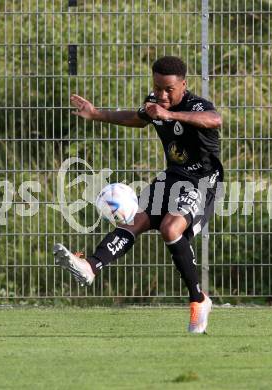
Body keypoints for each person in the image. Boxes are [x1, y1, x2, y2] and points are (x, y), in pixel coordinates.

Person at [54, 56, 223, 334]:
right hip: (173, 177)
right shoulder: (154, 102)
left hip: (204, 181)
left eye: (169, 89)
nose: (163, 95)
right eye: (158, 88)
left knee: (171, 228)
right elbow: (137, 118)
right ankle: (91, 266)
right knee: (135, 219)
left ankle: (198, 301)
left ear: (183, 85)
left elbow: (214, 120)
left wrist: (170, 115)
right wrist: (96, 114)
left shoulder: (197, 106)